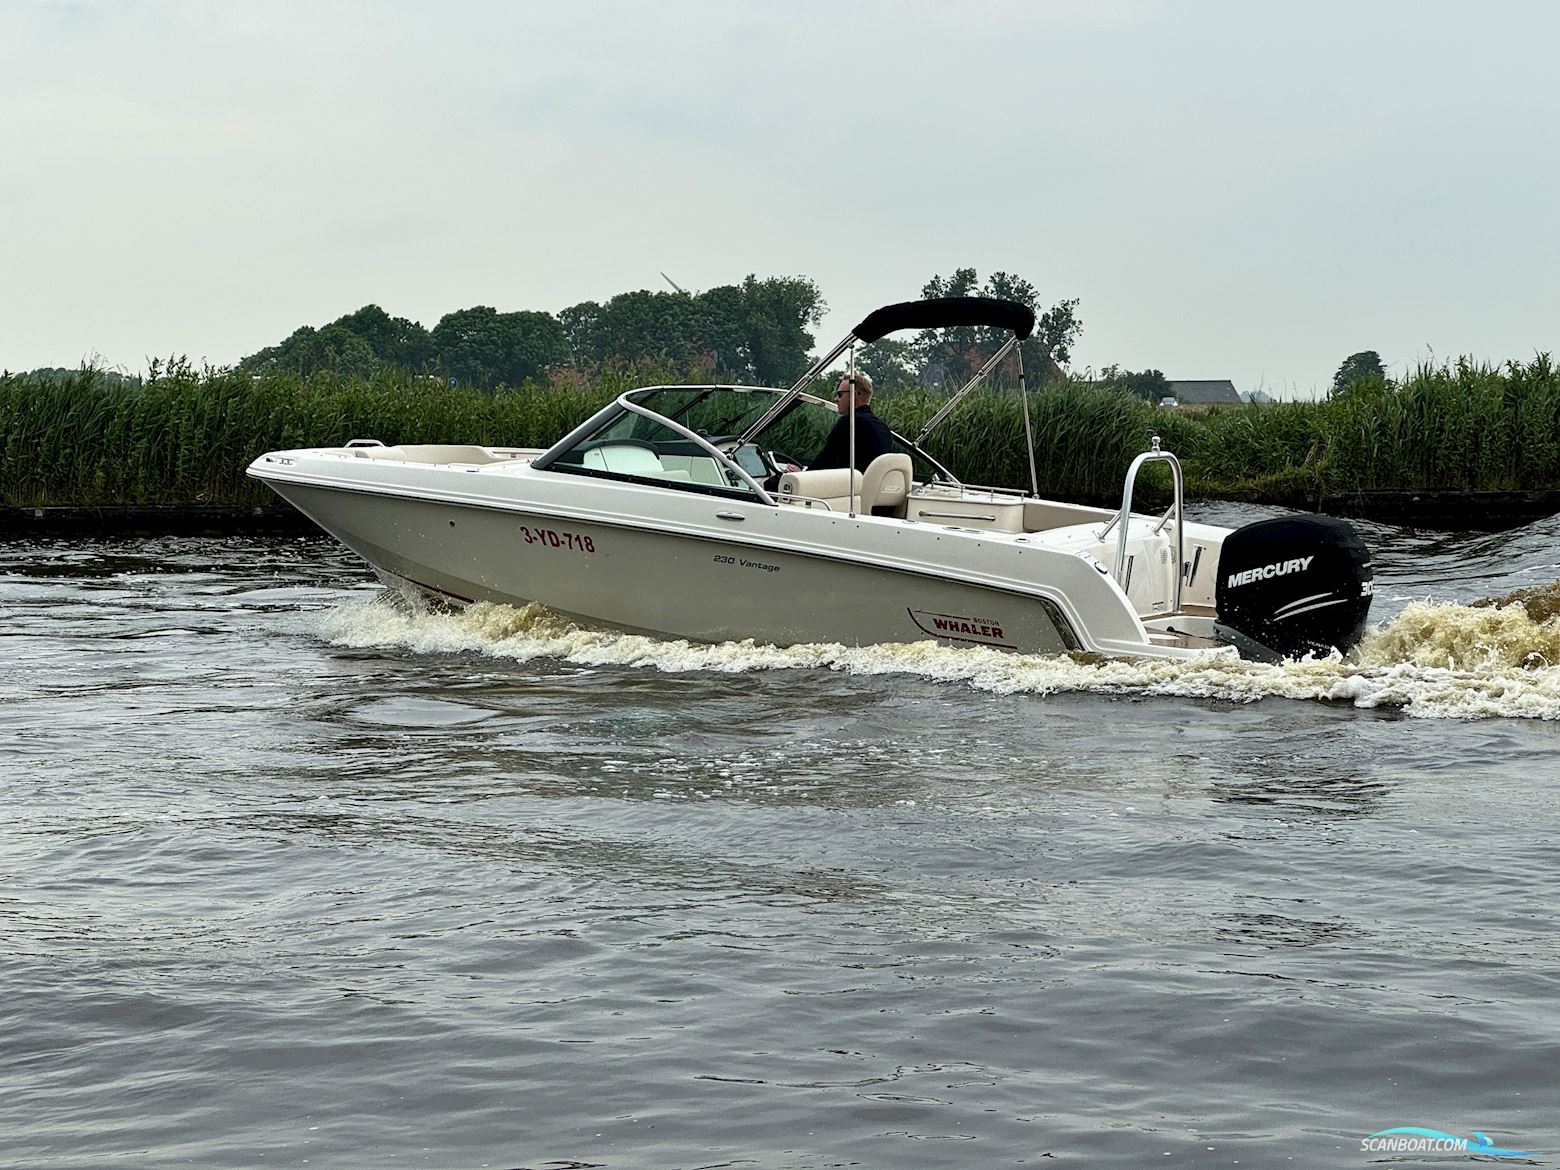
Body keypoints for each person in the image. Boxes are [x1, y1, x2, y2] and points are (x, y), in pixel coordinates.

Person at [808, 372, 894, 471]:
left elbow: (825, 459)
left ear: (854, 395)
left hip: (849, 485)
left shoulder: (849, 422)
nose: (836, 399)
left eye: (840, 394)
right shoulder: (884, 428)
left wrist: (801, 475)